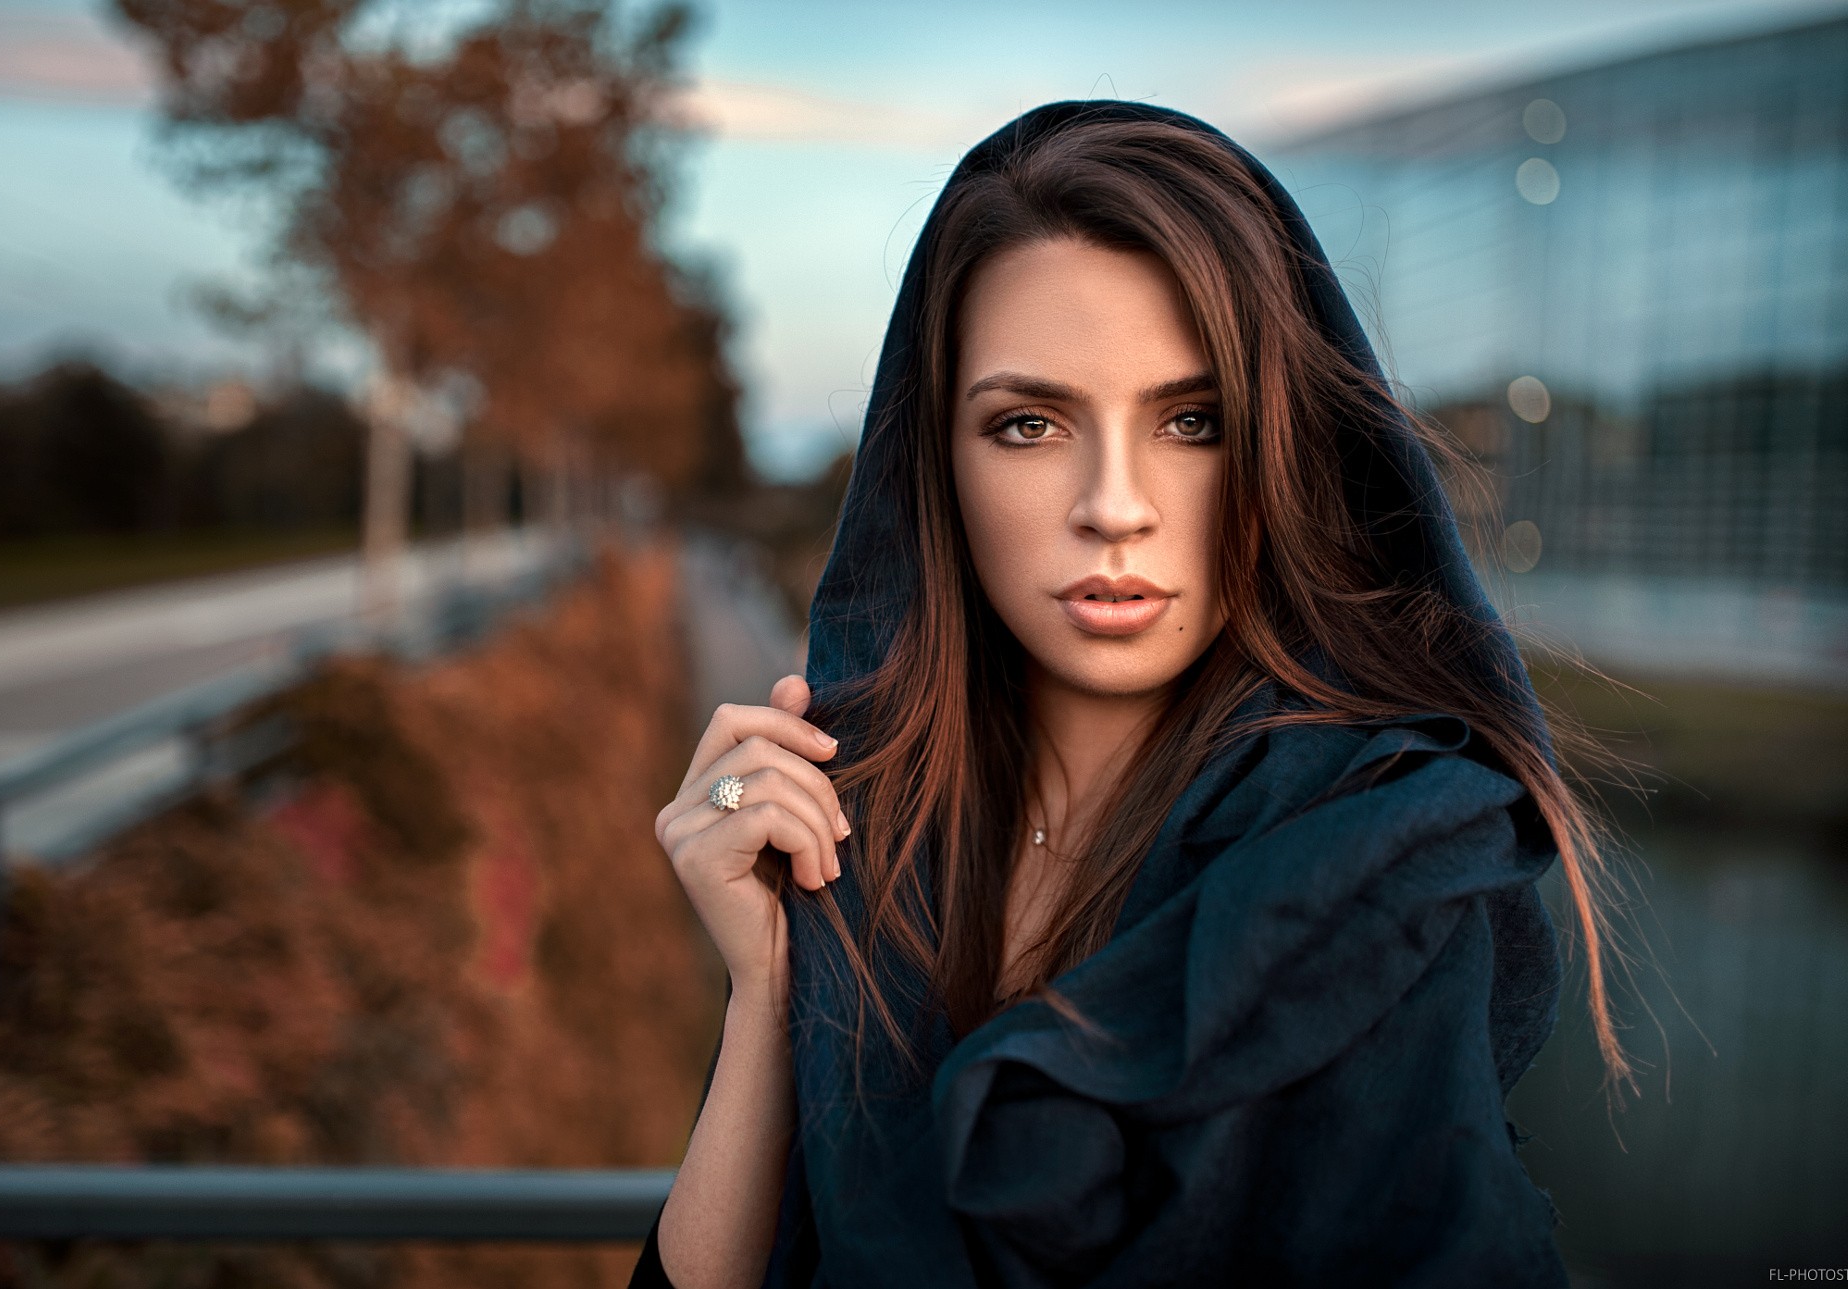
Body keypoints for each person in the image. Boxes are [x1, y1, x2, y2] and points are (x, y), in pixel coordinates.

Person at [635, 101, 1630, 1289]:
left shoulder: (1370, 855)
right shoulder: (862, 818)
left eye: (1189, 420)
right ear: (934, 463)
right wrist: (765, 991)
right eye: (1029, 423)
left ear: (1279, 445)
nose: (1113, 502)